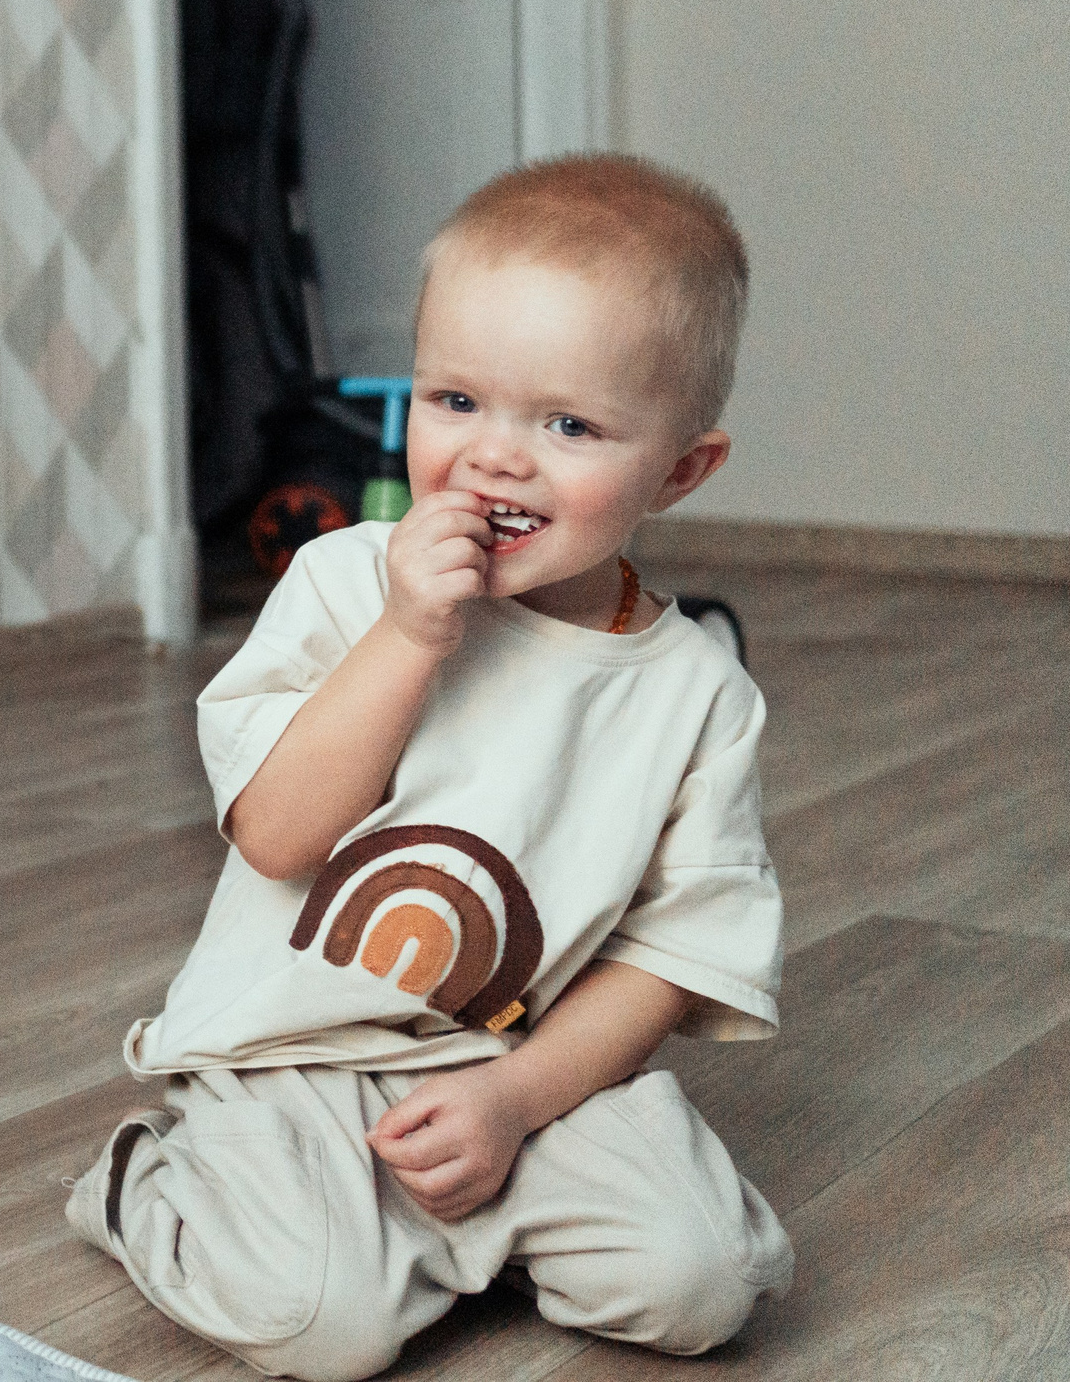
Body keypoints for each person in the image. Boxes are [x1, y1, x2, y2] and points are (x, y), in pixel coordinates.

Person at [67, 155, 794, 1381]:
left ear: (680, 469)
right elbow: (280, 838)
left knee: (702, 1281)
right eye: (455, 401)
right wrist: (409, 637)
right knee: (325, 1331)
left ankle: (451, 1227)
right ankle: (153, 1179)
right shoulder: (343, 587)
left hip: (521, 1062)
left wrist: (511, 1105)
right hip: (294, 1056)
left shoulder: (696, 697)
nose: (495, 459)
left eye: (567, 425)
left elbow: (670, 960)